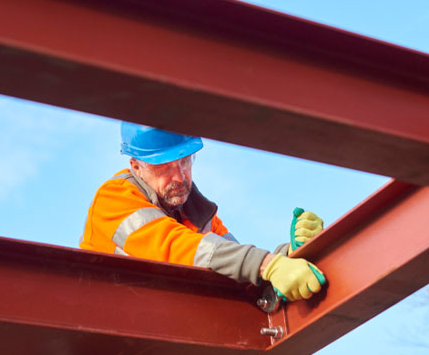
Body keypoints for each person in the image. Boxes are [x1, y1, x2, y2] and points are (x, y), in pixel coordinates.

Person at [79, 123, 325, 301]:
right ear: (136, 167)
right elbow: (176, 247)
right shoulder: (114, 199)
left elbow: (238, 267)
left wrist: (291, 253)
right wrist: (269, 265)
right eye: (164, 167)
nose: (180, 176)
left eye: (184, 161)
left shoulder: (196, 213)